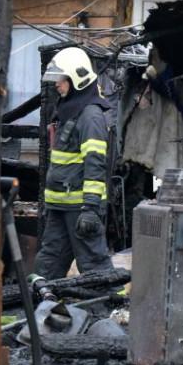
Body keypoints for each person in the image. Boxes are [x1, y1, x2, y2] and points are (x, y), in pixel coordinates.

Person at [34, 46, 114, 281]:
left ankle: (111, 304)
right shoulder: (70, 111)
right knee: (49, 263)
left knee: (94, 265)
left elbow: (95, 164)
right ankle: (42, 302)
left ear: (78, 79)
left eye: (62, 78)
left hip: (80, 208)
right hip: (60, 205)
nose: (57, 84)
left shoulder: (90, 116)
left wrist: (90, 208)